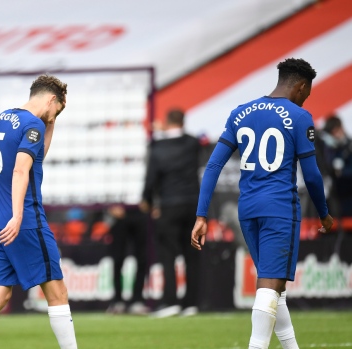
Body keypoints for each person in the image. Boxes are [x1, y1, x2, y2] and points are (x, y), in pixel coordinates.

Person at [191, 58, 333, 349]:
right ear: (302, 86)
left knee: (273, 287)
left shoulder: (240, 112)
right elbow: (312, 176)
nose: (307, 98)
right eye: (308, 92)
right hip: (280, 209)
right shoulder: (299, 116)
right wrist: (324, 214)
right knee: (270, 286)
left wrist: (201, 215)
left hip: (248, 210)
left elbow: (213, 166)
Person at [0, 74, 77, 348]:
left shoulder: (5, 118)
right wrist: (18, 216)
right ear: (52, 99)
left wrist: (52, 123)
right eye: (57, 110)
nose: (54, 116)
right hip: (25, 221)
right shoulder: (32, 126)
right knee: (58, 293)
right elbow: (20, 170)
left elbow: (36, 155)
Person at [141, 109, 202, 318]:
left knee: (167, 253)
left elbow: (151, 179)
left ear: (167, 122)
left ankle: (170, 301)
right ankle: (190, 304)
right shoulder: (192, 144)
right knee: (191, 254)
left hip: (169, 205)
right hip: (193, 204)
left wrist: (147, 201)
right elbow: (187, 138)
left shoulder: (158, 148)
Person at [105, 205, 150, 315]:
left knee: (142, 259)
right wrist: (110, 206)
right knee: (118, 259)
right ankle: (117, 301)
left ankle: (138, 301)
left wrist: (151, 203)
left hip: (140, 212)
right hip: (120, 211)